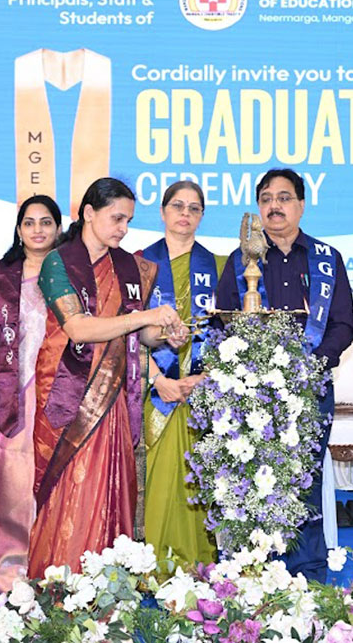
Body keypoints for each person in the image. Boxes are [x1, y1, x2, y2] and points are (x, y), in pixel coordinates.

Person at [27, 177, 187, 576]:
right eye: (117, 218)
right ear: (88, 213)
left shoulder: (131, 266)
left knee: (113, 490)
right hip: (71, 394)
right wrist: (145, 317)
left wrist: (165, 334)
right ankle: (63, 586)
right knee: (71, 492)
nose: (123, 228)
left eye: (128, 220)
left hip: (116, 397)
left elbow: (140, 335)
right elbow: (78, 328)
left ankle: (108, 588)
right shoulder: (58, 263)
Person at [215, 168, 353, 582]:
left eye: (284, 197)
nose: (274, 206)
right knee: (253, 481)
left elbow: (343, 324)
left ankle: (307, 574)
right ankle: (256, 573)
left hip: (310, 386)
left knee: (305, 480)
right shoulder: (241, 262)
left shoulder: (327, 259)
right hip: (252, 394)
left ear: (301, 205)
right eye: (266, 199)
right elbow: (223, 322)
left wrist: (313, 365)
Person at [0, 195, 62, 594]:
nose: (38, 230)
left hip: (57, 390)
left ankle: (50, 567)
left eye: (46, 222)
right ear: (19, 229)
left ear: (58, 228)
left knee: (51, 478)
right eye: (29, 222)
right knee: (11, 479)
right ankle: (9, 573)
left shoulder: (70, 273)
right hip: (9, 389)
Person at [139, 181, 224, 567]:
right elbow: (125, 332)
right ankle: (154, 562)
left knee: (197, 476)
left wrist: (207, 378)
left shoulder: (219, 267)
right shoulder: (139, 264)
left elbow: (230, 335)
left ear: (202, 215)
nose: (185, 214)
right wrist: (158, 379)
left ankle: (199, 563)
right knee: (159, 480)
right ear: (162, 211)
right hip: (155, 389)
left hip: (202, 391)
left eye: (194, 208)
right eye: (177, 205)